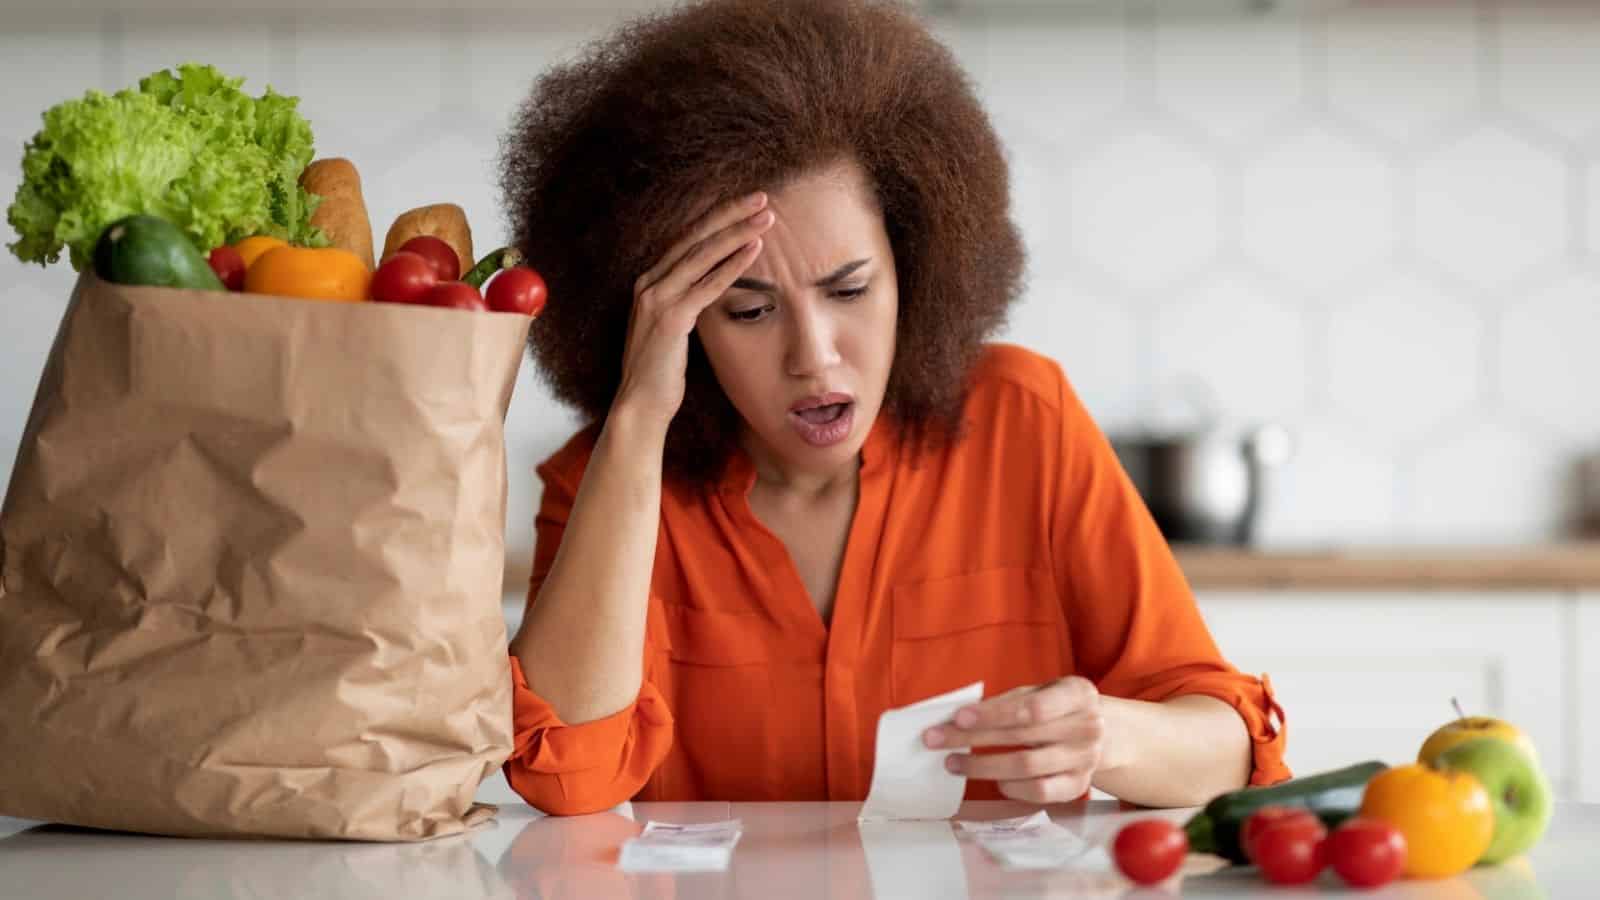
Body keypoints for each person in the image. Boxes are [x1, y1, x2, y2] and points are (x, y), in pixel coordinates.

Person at [498, 0, 1288, 817]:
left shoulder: (1024, 420)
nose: (815, 356)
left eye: (849, 290)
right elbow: (567, 777)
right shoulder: (611, 479)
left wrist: (1107, 738)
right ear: (681, 321)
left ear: (918, 267)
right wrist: (636, 418)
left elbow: (1228, 747)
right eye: (748, 310)